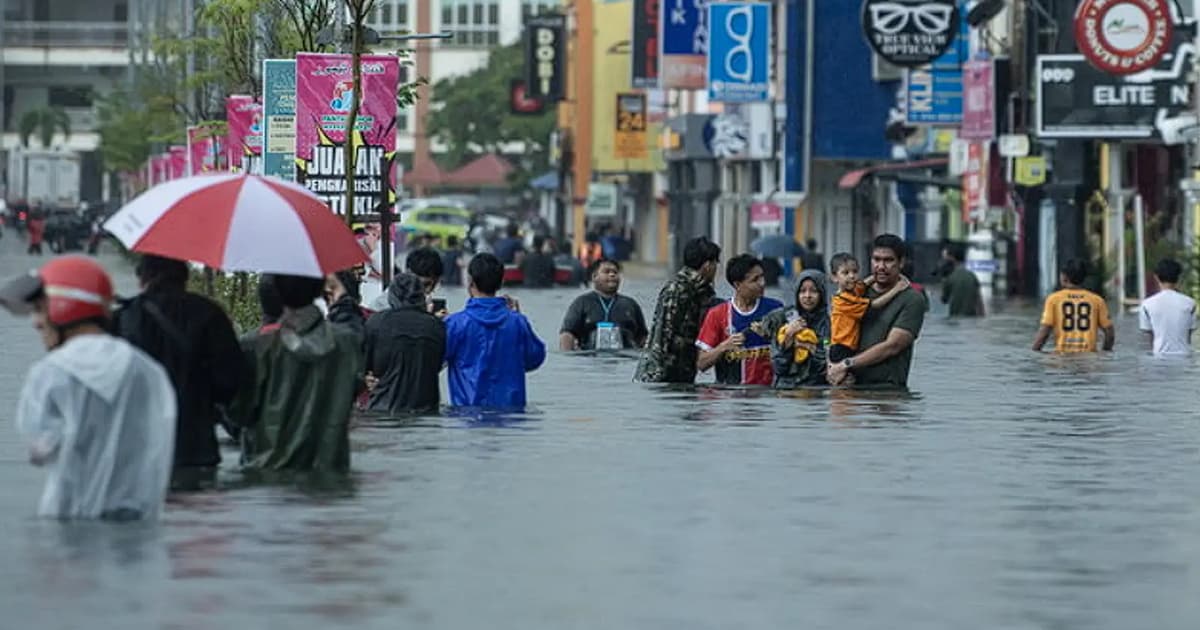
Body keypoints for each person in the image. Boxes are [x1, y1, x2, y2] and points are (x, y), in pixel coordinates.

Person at [0, 256, 175, 519]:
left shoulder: (48, 373)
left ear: (62, 304)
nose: (36, 322)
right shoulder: (147, 371)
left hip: (69, 521)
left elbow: (40, 448)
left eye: (38, 308)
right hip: (137, 522)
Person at [111, 255, 244, 473]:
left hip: (137, 447)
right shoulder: (210, 314)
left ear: (144, 278)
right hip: (194, 445)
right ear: (185, 277)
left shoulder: (122, 318)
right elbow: (231, 380)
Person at [231, 274, 364, 471]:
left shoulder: (255, 347)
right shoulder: (347, 344)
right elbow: (354, 389)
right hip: (330, 474)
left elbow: (238, 413)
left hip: (266, 474)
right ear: (320, 289)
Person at [444, 253, 546, 408]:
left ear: (470, 282)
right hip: (512, 418)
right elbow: (534, 359)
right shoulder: (517, 322)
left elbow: (433, 361)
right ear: (501, 283)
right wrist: (519, 318)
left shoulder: (455, 324)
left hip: (466, 417)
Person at [827, 234, 927, 388]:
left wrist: (846, 364)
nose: (881, 266)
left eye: (888, 260)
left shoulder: (912, 299)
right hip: (847, 387)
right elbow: (833, 333)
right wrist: (832, 367)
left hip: (885, 393)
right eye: (876, 259)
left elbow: (892, 346)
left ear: (901, 263)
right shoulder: (855, 293)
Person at [634, 236, 721, 383]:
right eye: (715, 263)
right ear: (707, 265)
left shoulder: (702, 291)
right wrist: (658, 373)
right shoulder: (677, 290)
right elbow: (664, 335)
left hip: (684, 372)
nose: (716, 269)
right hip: (661, 374)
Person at [696, 254, 783, 385]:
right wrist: (724, 346)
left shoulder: (776, 310)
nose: (762, 283)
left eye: (762, 277)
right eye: (755, 280)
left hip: (768, 396)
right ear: (737, 284)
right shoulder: (717, 314)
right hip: (731, 397)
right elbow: (701, 364)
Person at [364, 273, 446, 413]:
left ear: (391, 296)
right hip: (426, 413)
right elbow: (437, 365)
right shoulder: (436, 326)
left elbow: (365, 366)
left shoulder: (376, 323)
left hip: (382, 412)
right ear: (422, 297)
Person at [826, 251, 911, 367]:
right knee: (843, 380)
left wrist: (877, 275)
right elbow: (873, 305)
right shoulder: (842, 300)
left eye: (855, 272)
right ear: (834, 277)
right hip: (841, 348)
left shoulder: (852, 290)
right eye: (845, 273)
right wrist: (897, 289)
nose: (852, 276)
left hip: (849, 346)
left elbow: (863, 284)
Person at [761, 269, 831, 388]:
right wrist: (788, 336)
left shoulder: (829, 323)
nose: (807, 296)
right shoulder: (784, 318)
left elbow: (825, 365)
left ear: (822, 293)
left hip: (816, 391)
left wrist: (809, 346)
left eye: (814, 291)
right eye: (802, 291)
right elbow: (778, 368)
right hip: (785, 391)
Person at [560, 258, 648, 351]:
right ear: (594, 277)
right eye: (607, 272)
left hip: (625, 358)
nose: (612, 274)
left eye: (615, 272)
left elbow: (643, 337)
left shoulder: (630, 304)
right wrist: (567, 355)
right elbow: (567, 334)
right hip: (590, 358)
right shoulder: (581, 303)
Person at [1031, 258, 1115, 353]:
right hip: (1089, 359)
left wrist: (1034, 352)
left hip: (1062, 358)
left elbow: (1044, 331)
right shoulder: (1097, 300)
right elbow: (1109, 332)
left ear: (1064, 277)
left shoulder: (1053, 299)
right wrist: (1105, 353)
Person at [1139, 258, 1196, 356]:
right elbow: (1188, 336)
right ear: (1178, 278)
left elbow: (1150, 337)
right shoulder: (1190, 304)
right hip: (1184, 359)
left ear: (1156, 277)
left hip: (1159, 359)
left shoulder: (1146, 305)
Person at [940, 243, 984, 317]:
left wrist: (943, 281)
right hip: (972, 321)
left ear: (952, 258)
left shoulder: (949, 278)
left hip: (954, 321)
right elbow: (980, 304)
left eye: (945, 258)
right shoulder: (972, 276)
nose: (943, 261)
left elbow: (944, 300)